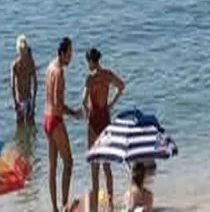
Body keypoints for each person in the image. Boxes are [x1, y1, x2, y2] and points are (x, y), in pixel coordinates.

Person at [83, 47, 126, 211]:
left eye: (88, 62)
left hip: (94, 121)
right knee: (107, 166)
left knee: (94, 167)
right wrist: (112, 104)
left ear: (92, 61)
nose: (87, 65)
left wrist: (87, 113)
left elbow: (83, 101)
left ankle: (94, 208)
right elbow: (121, 86)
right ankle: (110, 205)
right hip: (105, 119)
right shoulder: (107, 75)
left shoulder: (90, 79)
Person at [44, 39, 84, 212]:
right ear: (62, 53)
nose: (71, 57)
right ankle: (65, 205)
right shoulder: (59, 72)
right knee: (69, 162)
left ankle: (55, 208)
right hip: (55, 120)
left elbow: (50, 100)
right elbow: (57, 103)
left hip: (46, 118)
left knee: (52, 167)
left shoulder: (49, 67)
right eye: (69, 53)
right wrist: (75, 113)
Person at [10, 35, 37, 129]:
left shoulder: (16, 65)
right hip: (25, 99)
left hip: (22, 99)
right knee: (29, 126)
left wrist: (15, 102)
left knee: (22, 128)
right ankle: (28, 143)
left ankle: (23, 143)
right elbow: (35, 83)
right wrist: (33, 100)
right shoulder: (29, 63)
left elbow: (12, 86)